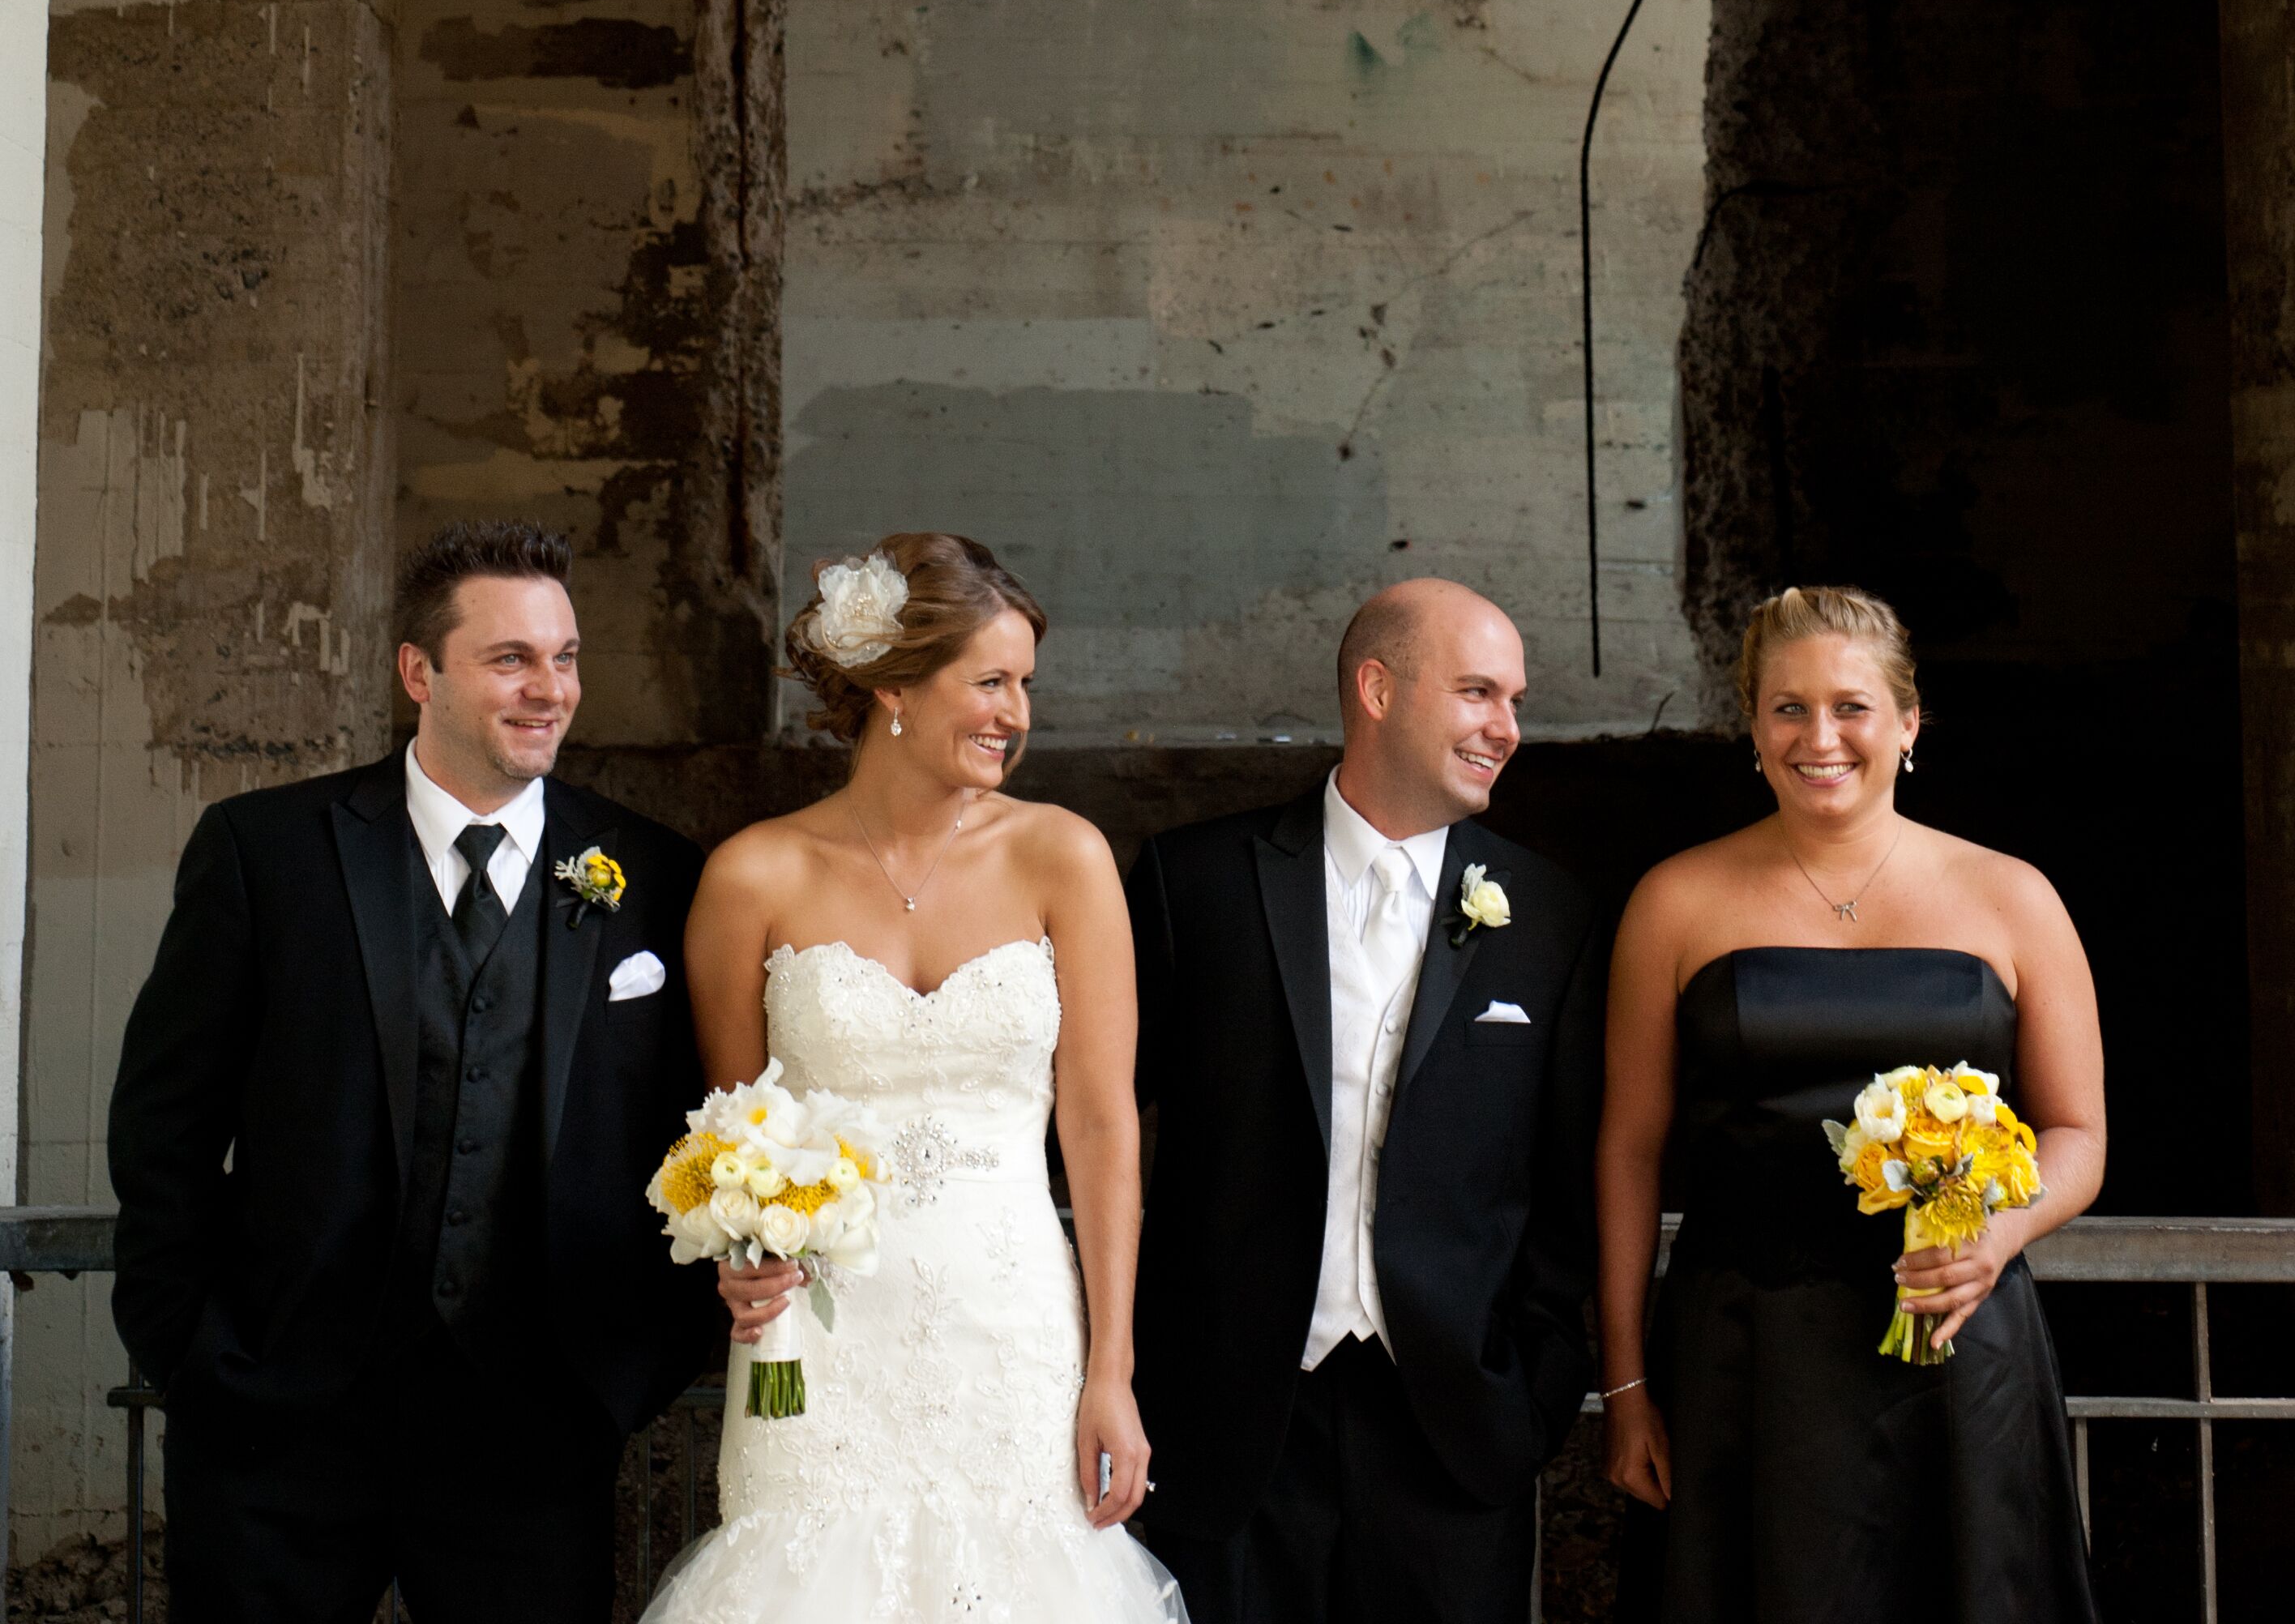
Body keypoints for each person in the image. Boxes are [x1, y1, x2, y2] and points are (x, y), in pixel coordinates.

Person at [107, 517, 720, 1624]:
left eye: (565, 657)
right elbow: (166, 1123)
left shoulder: (654, 873)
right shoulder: (266, 853)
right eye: (511, 659)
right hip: (277, 1430)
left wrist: (625, 1374)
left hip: (532, 1442)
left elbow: (694, 1132)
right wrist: (196, 1355)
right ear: (417, 671)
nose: (550, 690)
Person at [641, 528, 1183, 1624]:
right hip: (823, 1337)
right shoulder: (753, 875)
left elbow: (1101, 1124)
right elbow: (734, 1137)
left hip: (1016, 1326)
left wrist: (1110, 1371)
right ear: (894, 684)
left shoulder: (1063, 858)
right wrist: (741, 1258)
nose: (1017, 714)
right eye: (990, 681)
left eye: (1026, 685)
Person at [1600, 581, 2106, 1624]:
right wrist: (1628, 1386)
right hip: (1747, 1353)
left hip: (1958, 1347)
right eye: (1787, 707)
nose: (1817, 735)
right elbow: (1628, 1150)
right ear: (1752, 725)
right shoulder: (1674, 900)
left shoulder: (2015, 895)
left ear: (1909, 723)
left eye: (1850, 706)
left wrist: (1998, 1234)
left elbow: (2079, 1130)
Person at [1127, 578, 1603, 1624]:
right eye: (1480, 693)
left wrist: (1528, 1397)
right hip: (1230, 1425)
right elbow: (1089, 1128)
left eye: (1515, 701)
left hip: (1455, 1435)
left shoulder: (1551, 919)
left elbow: (1569, 1195)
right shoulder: (1193, 882)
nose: (1508, 729)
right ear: (1377, 688)